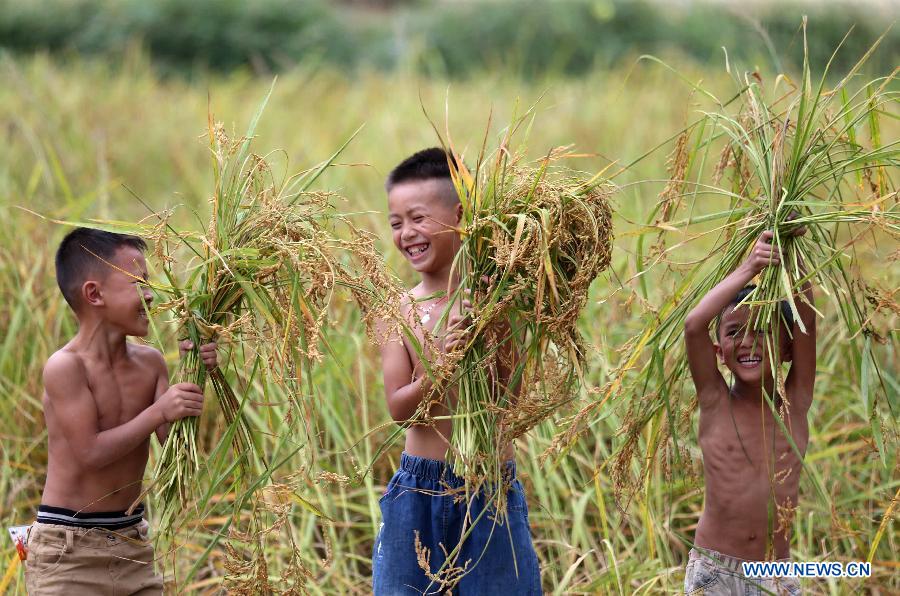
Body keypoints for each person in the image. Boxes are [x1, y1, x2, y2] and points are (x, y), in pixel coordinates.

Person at [372, 148, 542, 594]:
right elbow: (400, 411)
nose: (407, 233)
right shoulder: (399, 311)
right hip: (418, 490)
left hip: (490, 489)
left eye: (419, 218)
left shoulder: (496, 305)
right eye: (396, 223)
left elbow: (509, 396)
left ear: (461, 216)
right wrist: (443, 366)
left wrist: (492, 326)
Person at [25, 227, 218, 595]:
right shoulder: (65, 367)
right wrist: (159, 411)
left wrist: (198, 372)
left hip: (132, 547)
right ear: (94, 294)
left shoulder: (151, 364)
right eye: (137, 282)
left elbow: (177, 447)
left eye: (149, 281)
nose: (150, 294)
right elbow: (90, 453)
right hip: (68, 552)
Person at [682, 229, 815, 595]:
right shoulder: (715, 402)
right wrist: (749, 268)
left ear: (787, 347)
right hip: (716, 572)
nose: (747, 341)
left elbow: (808, 320)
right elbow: (694, 325)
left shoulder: (796, 402)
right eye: (734, 332)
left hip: (775, 571)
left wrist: (790, 251)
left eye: (762, 329)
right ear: (719, 352)